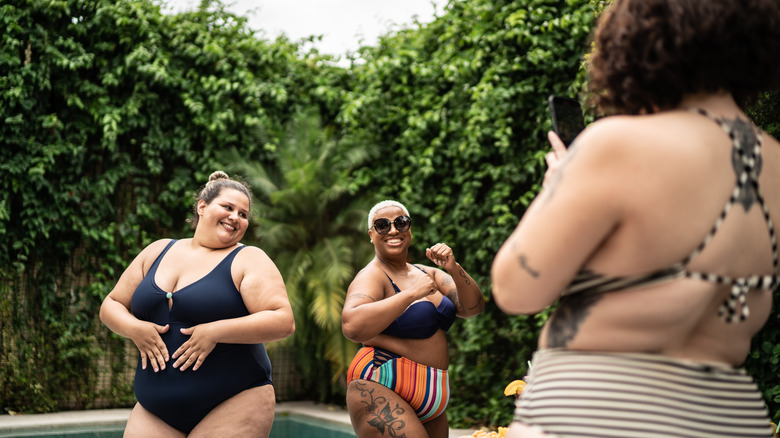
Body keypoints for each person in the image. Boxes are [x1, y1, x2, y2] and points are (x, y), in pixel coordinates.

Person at [491, 0, 780, 437]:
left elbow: (516, 289)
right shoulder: (774, 162)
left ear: (638, 38)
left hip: (600, 414)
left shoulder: (617, 143)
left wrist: (559, 188)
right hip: (726, 419)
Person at [99, 171, 295, 437]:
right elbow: (112, 304)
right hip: (154, 409)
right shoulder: (158, 251)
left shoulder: (249, 259)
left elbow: (282, 320)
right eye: (227, 207)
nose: (235, 217)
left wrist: (214, 332)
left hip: (234, 400)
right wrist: (134, 328)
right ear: (202, 206)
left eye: (244, 214)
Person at [341, 200, 484, 438]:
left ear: (410, 229)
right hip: (381, 383)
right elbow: (351, 325)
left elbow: (473, 307)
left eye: (401, 223)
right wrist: (411, 294)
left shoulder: (426, 273)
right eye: (382, 225)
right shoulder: (373, 276)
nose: (393, 230)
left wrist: (453, 267)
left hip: (431, 391)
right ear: (371, 234)